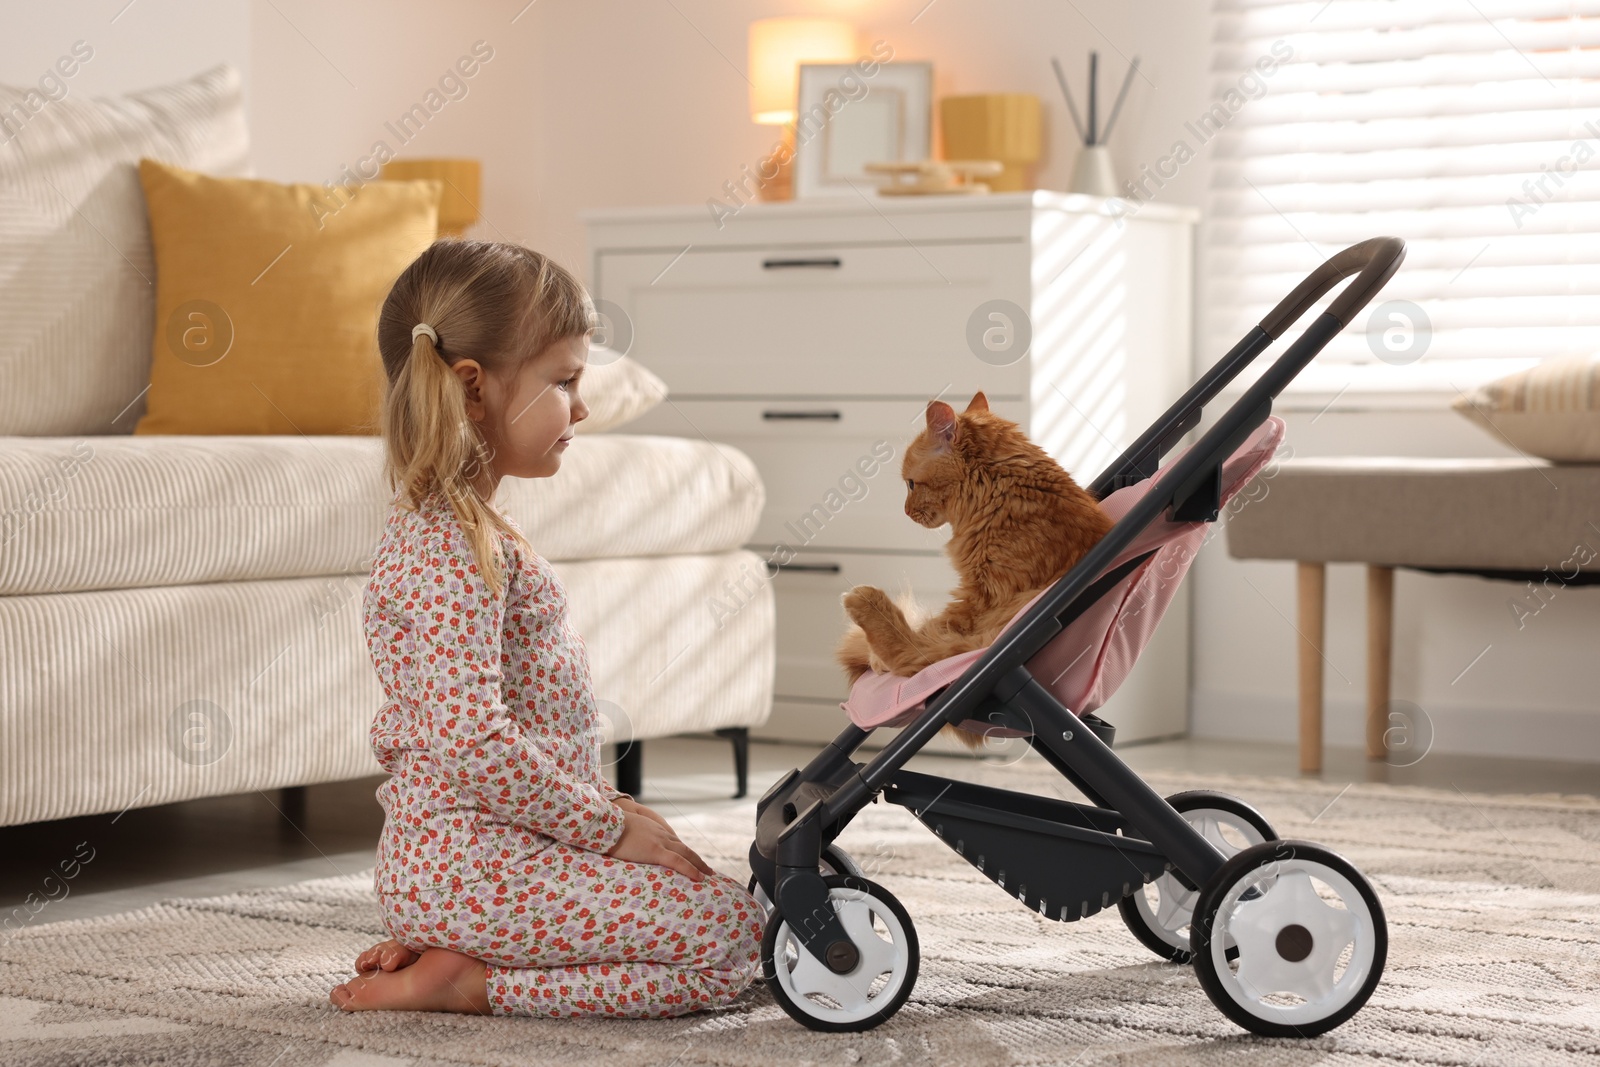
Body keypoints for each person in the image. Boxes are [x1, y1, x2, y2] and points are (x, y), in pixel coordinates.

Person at [328, 240, 762, 1018]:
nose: (583, 406)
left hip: (489, 856)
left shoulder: (468, 530)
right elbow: (471, 739)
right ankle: (474, 980)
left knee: (711, 896)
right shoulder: (450, 544)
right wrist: (607, 829)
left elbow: (528, 730)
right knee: (731, 937)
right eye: (563, 381)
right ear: (472, 389)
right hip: (472, 866)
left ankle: (456, 947)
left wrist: (614, 817)